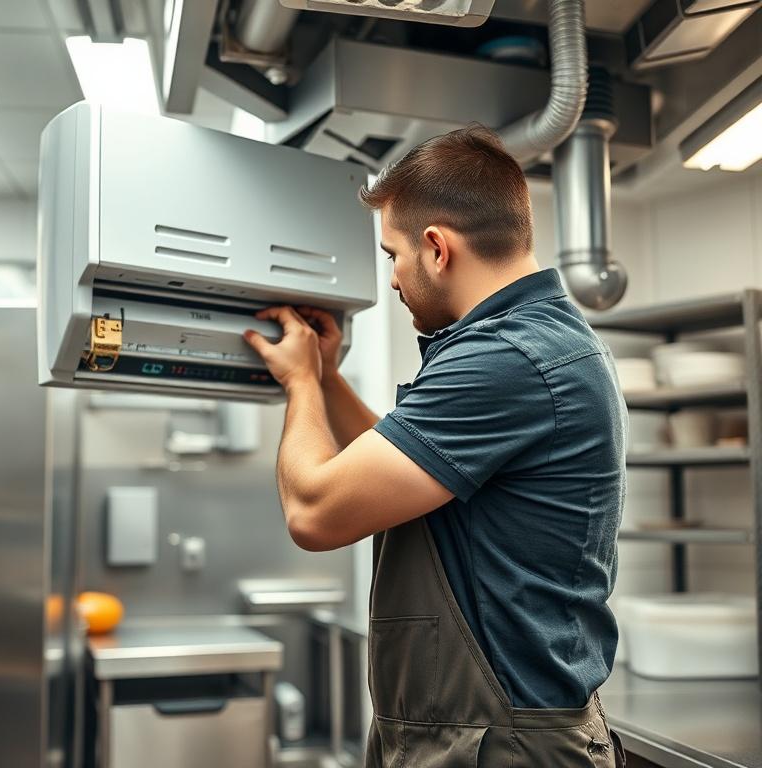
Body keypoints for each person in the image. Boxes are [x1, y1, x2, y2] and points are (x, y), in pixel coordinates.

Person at [244, 126, 627, 767]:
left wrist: (302, 381)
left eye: (392, 254)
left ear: (436, 248)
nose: (391, 277)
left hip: (504, 742)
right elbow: (399, 471)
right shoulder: (532, 343)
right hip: (484, 733)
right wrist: (332, 377)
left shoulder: (507, 358)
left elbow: (313, 511)